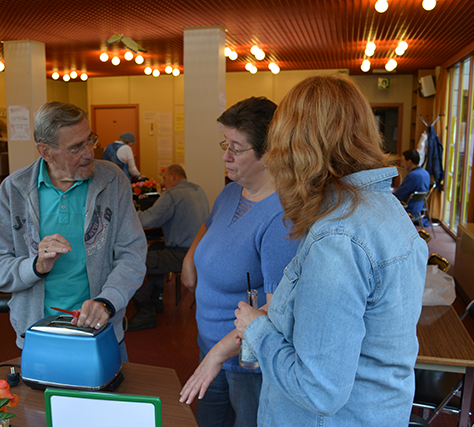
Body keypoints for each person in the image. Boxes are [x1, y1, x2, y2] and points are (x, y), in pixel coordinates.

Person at [233, 75, 428, 426]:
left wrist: (257, 330)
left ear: (296, 148)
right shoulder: (385, 209)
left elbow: (318, 389)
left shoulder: (338, 237)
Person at [0, 102, 147, 362]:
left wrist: (107, 302)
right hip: (39, 334)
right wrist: (35, 265)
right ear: (45, 151)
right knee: (42, 403)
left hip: (101, 332)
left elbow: (133, 254)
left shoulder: (113, 180)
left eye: (90, 140)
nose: (90, 153)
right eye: (75, 148)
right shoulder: (14, 190)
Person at [179, 97, 299, 427]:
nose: (225, 156)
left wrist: (218, 354)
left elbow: (274, 313)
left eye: (237, 148)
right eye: (225, 143)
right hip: (209, 347)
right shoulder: (231, 192)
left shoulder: (281, 219)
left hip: (246, 364)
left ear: (269, 153)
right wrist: (191, 256)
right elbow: (211, 223)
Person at [127, 164, 210, 331]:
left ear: (173, 176)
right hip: (201, 253)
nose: (163, 183)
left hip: (181, 256)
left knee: (131, 263)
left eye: (164, 179)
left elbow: (148, 219)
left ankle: (146, 312)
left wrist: (125, 214)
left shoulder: (173, 194)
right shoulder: (199, 190)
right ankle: (155, 298)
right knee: (154, 248)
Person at [393, 149, 431, 219]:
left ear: (409, 161)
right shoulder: (426, 173)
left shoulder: (412, 175)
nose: (403, 164)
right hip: (419, 208)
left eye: (403, 161)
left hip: (408, 208)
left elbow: (399, 194)